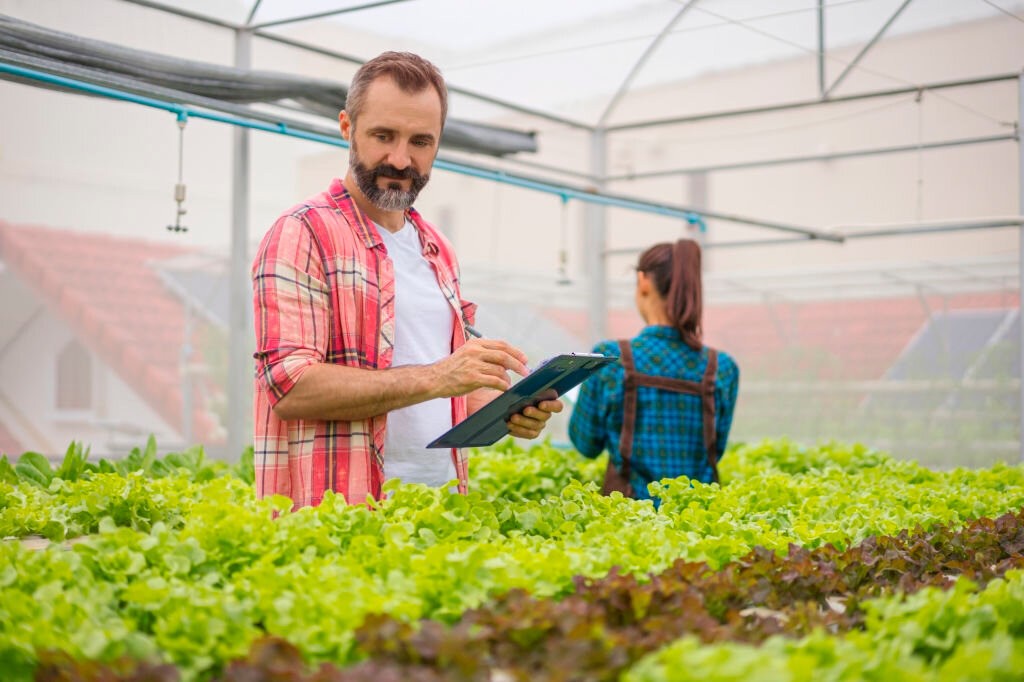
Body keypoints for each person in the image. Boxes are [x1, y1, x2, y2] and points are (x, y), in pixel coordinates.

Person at [251, 52, 562, 508]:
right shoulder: (304, 233)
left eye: (420, 141)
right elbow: (290, 387)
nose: (400, 159)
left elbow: (446, 391)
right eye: (383, 136)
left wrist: (508, 410)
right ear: (346, 127)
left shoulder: (437, 249)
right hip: (340, 517)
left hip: (438, 512)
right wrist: (438, 376)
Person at [569, 239, 739, 501]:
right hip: (696, 524)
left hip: (628, 522)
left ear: (643, 281)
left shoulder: (611, 359)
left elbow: (585, 444)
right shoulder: (722, 368)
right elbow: (714, 451)